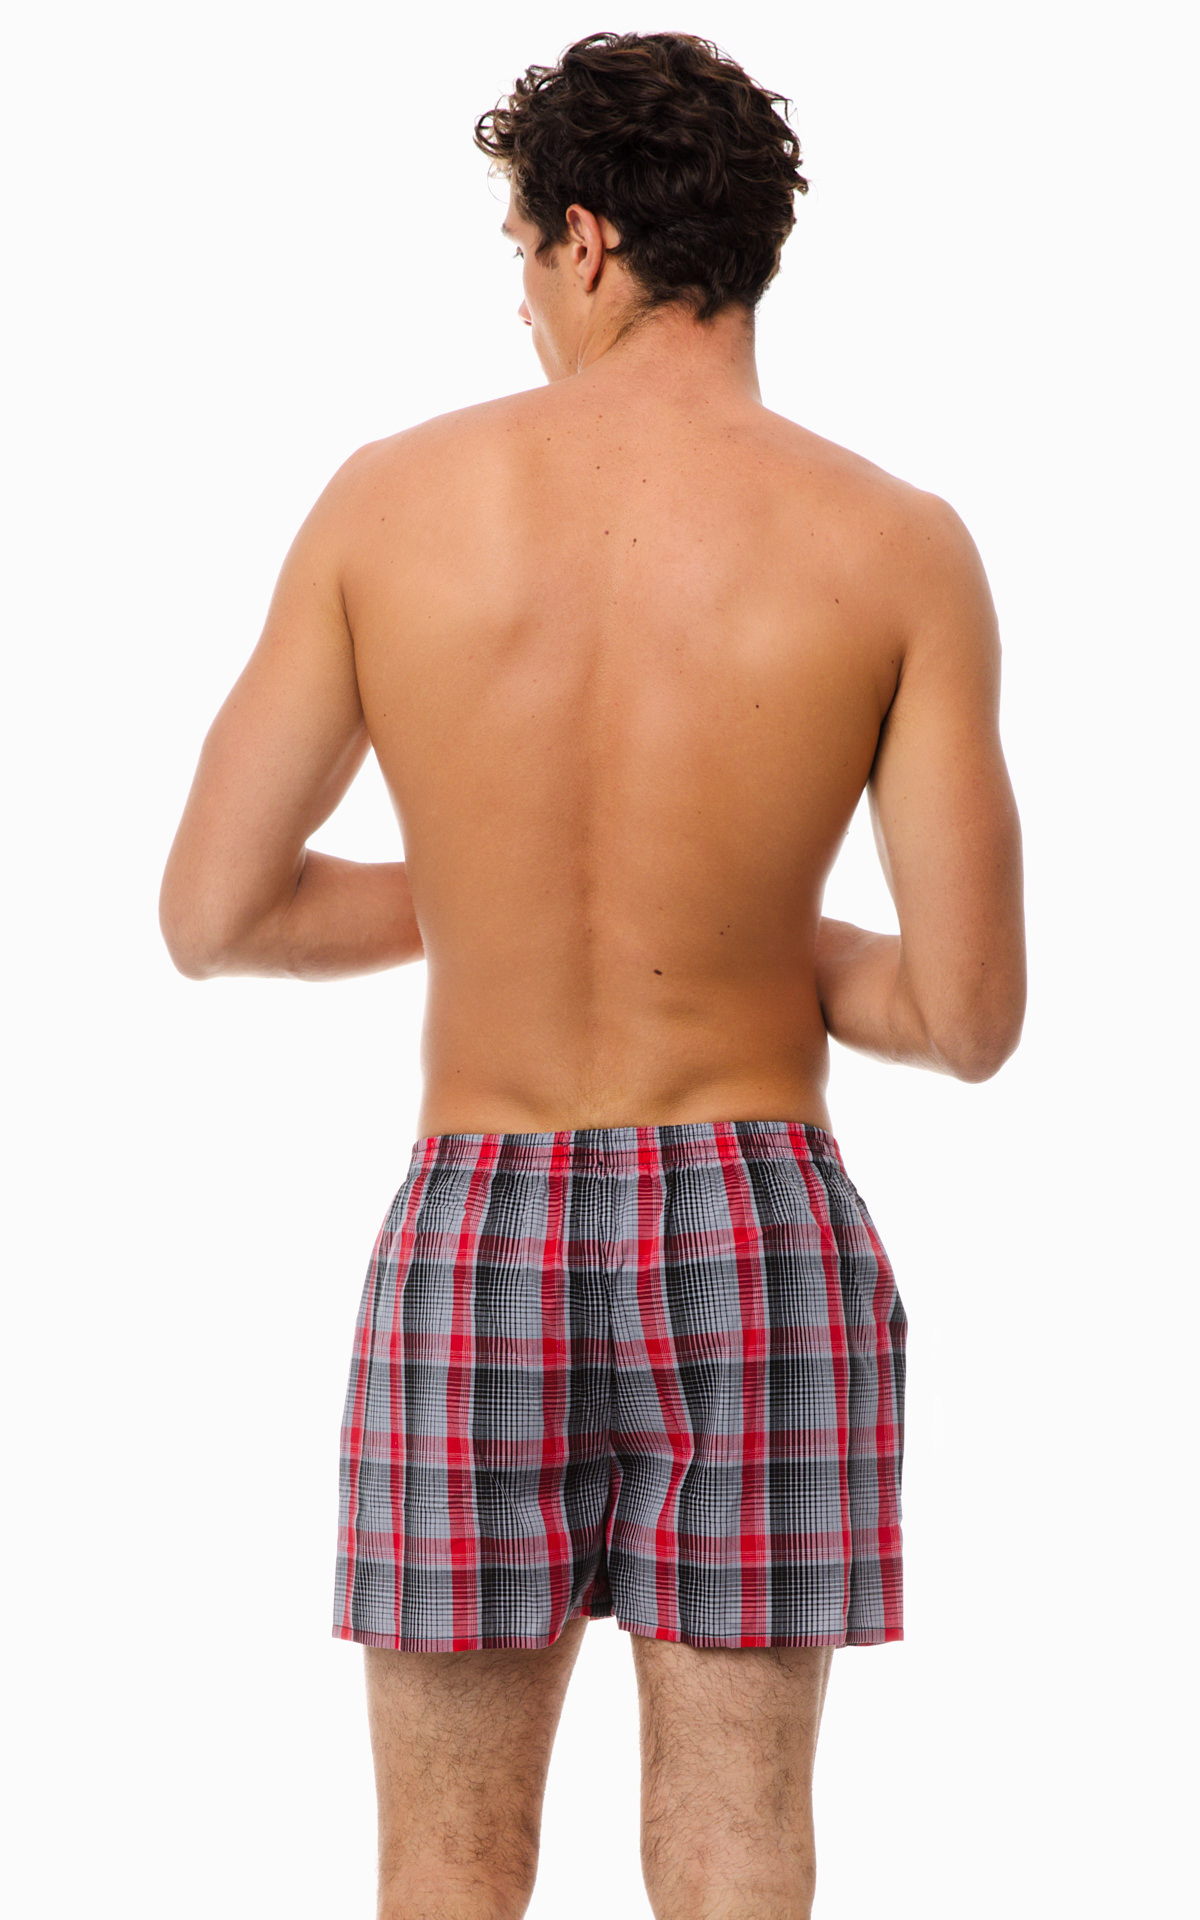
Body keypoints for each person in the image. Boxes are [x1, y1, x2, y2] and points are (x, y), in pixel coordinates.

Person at [159, 28, 1025, 1920]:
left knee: (446, 1868)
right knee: (737, 1849)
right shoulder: (897, 542)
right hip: (760, 1222)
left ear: (586, 239)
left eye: (522, 258)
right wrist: (754, 931)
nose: (524, 307)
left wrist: (488, 895)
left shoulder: (389, 503)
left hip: (476, 1213)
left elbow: (216, 914)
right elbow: (964, 1017)